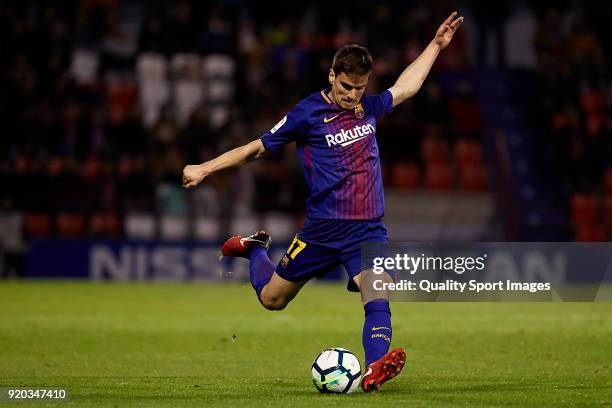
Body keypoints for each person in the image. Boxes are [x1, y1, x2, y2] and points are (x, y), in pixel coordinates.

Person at [183, 12, 463, 393]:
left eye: (360, 88)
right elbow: (255, 150)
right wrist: (205, 168)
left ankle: (374, 367)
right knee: (272, 299)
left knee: (376, 287)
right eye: (347, 86)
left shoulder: (369, 108)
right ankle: (255, 251)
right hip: (321, 229)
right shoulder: (307, 113)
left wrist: (435, 46)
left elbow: (405, 87)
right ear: (332, 76)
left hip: (367, 228)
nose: (352, 95)